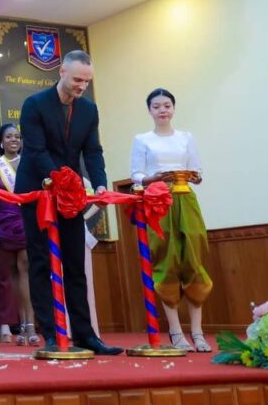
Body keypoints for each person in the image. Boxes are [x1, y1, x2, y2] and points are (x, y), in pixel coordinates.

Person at [15, 50, 122, 355]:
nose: (82, 86)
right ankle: (51, 334)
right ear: (61, 72)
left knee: (75, 265)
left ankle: (85, 335)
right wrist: (60, 180)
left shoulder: (89, 109)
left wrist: (99, 183)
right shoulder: (34, 104)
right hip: (38, 192)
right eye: (77, 79)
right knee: (40, 263)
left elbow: (93, 151)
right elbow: (36, 151)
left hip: (70, 197)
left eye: (87, 81)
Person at [130, 88, 212, 352]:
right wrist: (154, 178)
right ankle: (176, 332)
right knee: (166, 260)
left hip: (186, 198)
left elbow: (198, 171)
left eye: (167, 105)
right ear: (149, 110)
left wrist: (194, 176)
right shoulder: (142, 139)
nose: (162, 110)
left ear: (173, 108)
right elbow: (136, 175)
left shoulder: (186, 137)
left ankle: (198, 332)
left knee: (194, 259)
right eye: (156, 106)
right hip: (158, 201)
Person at [0, 124, 39, 347]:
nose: (14, 140)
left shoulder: (29, 161)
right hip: (4, 221)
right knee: (13, 274)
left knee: (25, 268)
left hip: (26, 219)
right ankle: (21, 324)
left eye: (17, 136)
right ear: (1, 141)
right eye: (9, 136)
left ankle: (31, 326)